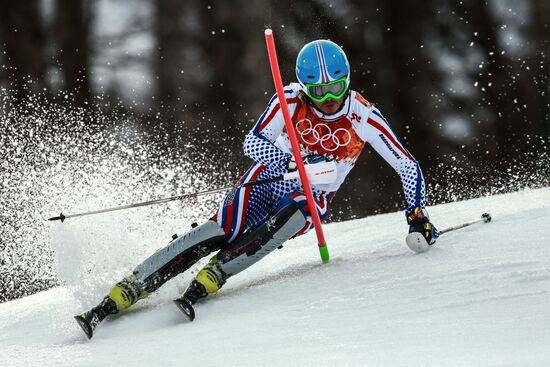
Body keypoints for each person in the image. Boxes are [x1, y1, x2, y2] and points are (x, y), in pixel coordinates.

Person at [74, 39, 438, 339]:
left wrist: (416, 214)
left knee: (294, 214)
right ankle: (129, 288)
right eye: (320, 90)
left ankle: (218, 272)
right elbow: (253, 142)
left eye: (336, 87)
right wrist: (289, 164)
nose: (329, 98)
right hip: (267, 176)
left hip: (313, 194)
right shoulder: (290, 98)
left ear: (347, 81)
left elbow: (406, 164)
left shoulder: (362, 115)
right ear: (306, 86)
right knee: (223, 229)